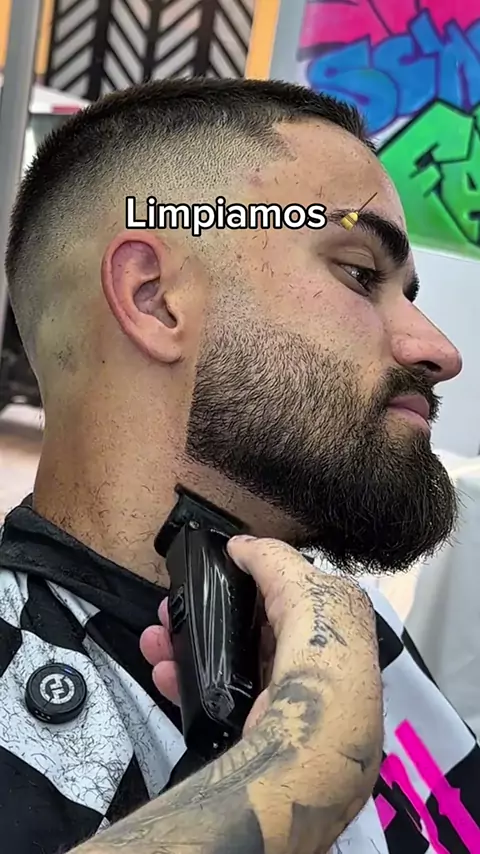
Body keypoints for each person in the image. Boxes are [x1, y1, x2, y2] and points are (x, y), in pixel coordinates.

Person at [0, 76, 478, 853]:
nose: (440, 350)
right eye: (361, 273)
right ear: (154, 299)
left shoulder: (336, 629)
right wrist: (302, 778)